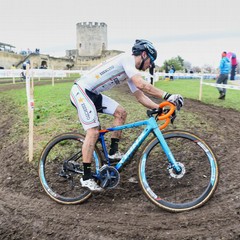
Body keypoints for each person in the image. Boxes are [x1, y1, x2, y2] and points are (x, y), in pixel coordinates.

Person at [70, 39, 184, 191]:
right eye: (150, 61)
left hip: (93, 94)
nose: (150, 65)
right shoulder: (126, 59)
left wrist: (160, 108)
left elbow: (140, 96)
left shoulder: (129, 71)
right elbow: (142, 85)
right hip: (82, 91)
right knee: (93, 131)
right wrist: (168, 96)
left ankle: (112, 152)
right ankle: (86, 177)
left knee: (121, 113)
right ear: (143, 54)